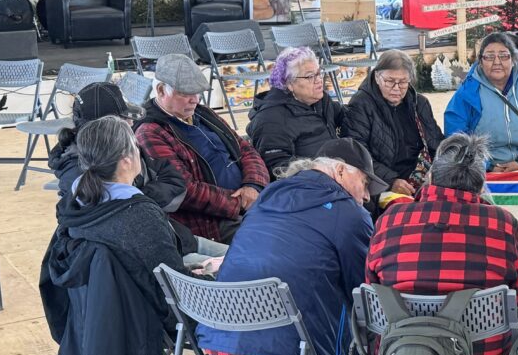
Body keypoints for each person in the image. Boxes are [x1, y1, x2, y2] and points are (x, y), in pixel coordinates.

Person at [196, 138, 383, 355]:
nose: (366, 196)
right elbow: (365, 290)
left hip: (216, 350)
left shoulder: (266, 198)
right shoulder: (349, 214)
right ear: (341, 171)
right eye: (365, 183)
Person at [366, 133, 518, 355]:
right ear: (481, 187)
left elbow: (373, 293)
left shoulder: (390, 220)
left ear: (431, 178)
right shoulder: (504, 225)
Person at [41, 116, 187, 355]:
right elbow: (175, 291)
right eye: (135, 147)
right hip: (138, 334)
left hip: (89, 335)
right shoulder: (138, 215)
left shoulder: (73, 209)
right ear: (125, 161)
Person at [48, 82, 227, 271]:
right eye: (125, 118)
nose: (133, 123)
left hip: (177, 238)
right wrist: (139, 200)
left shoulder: (116, 158)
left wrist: (137, 195)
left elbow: (174, 179)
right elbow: (166, 275)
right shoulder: (137, 212)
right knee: (246, 266)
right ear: (106, 126)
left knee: (243, 257)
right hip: (165, 251)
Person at [445, 32, 518, 286]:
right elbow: (456, 130)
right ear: (480, 61)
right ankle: (485, 253)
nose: (497, 62)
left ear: (513, 59)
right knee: (472, 183)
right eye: (489, 57)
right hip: (484, 157)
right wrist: (485, 163)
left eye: (504, 56)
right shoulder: (469, 89)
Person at [135, 54, 270, 243]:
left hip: (248, 202)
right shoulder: (150, 131)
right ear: (160, 90)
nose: (195, 100)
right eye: (185, 93)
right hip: (213, 222)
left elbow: (246, 150)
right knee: (275, 238)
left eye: (197, 92)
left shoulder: (204, 114)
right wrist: (240, 203)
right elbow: (185, 190)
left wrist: (254, 186)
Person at [344, 49, 443, 202]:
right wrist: (391, 181)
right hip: (380, 183)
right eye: (390, 81)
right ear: (377, 77)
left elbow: (436, 143)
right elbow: (358, 154)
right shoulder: (361, 104)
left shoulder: (419, 103)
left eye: (403, 82)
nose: (396, 88)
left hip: (420, 176)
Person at [246, 46, 344, 176]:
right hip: (310, 186)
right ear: (289, 83)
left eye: (319, 73)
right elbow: (278, 169)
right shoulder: (271, 119)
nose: (319, 80)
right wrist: (323, 173)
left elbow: (349, 116)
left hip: (336, 174)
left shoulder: (319, 101)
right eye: (310, 76)